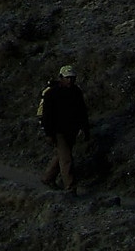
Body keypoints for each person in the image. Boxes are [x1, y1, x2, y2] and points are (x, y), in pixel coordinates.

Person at [38, 65, 89, 193]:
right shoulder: (52, 94)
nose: (70, 80)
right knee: (67, 159)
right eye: (67, 78)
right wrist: (49, 133)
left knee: (61, 155)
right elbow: (47, 116)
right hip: (58, 131)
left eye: (72, 78)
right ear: (61, 78)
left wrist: (85, 129)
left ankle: (48, 178)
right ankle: (70, 187)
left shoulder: (76, 92)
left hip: (71, 130)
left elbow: (82, 111)